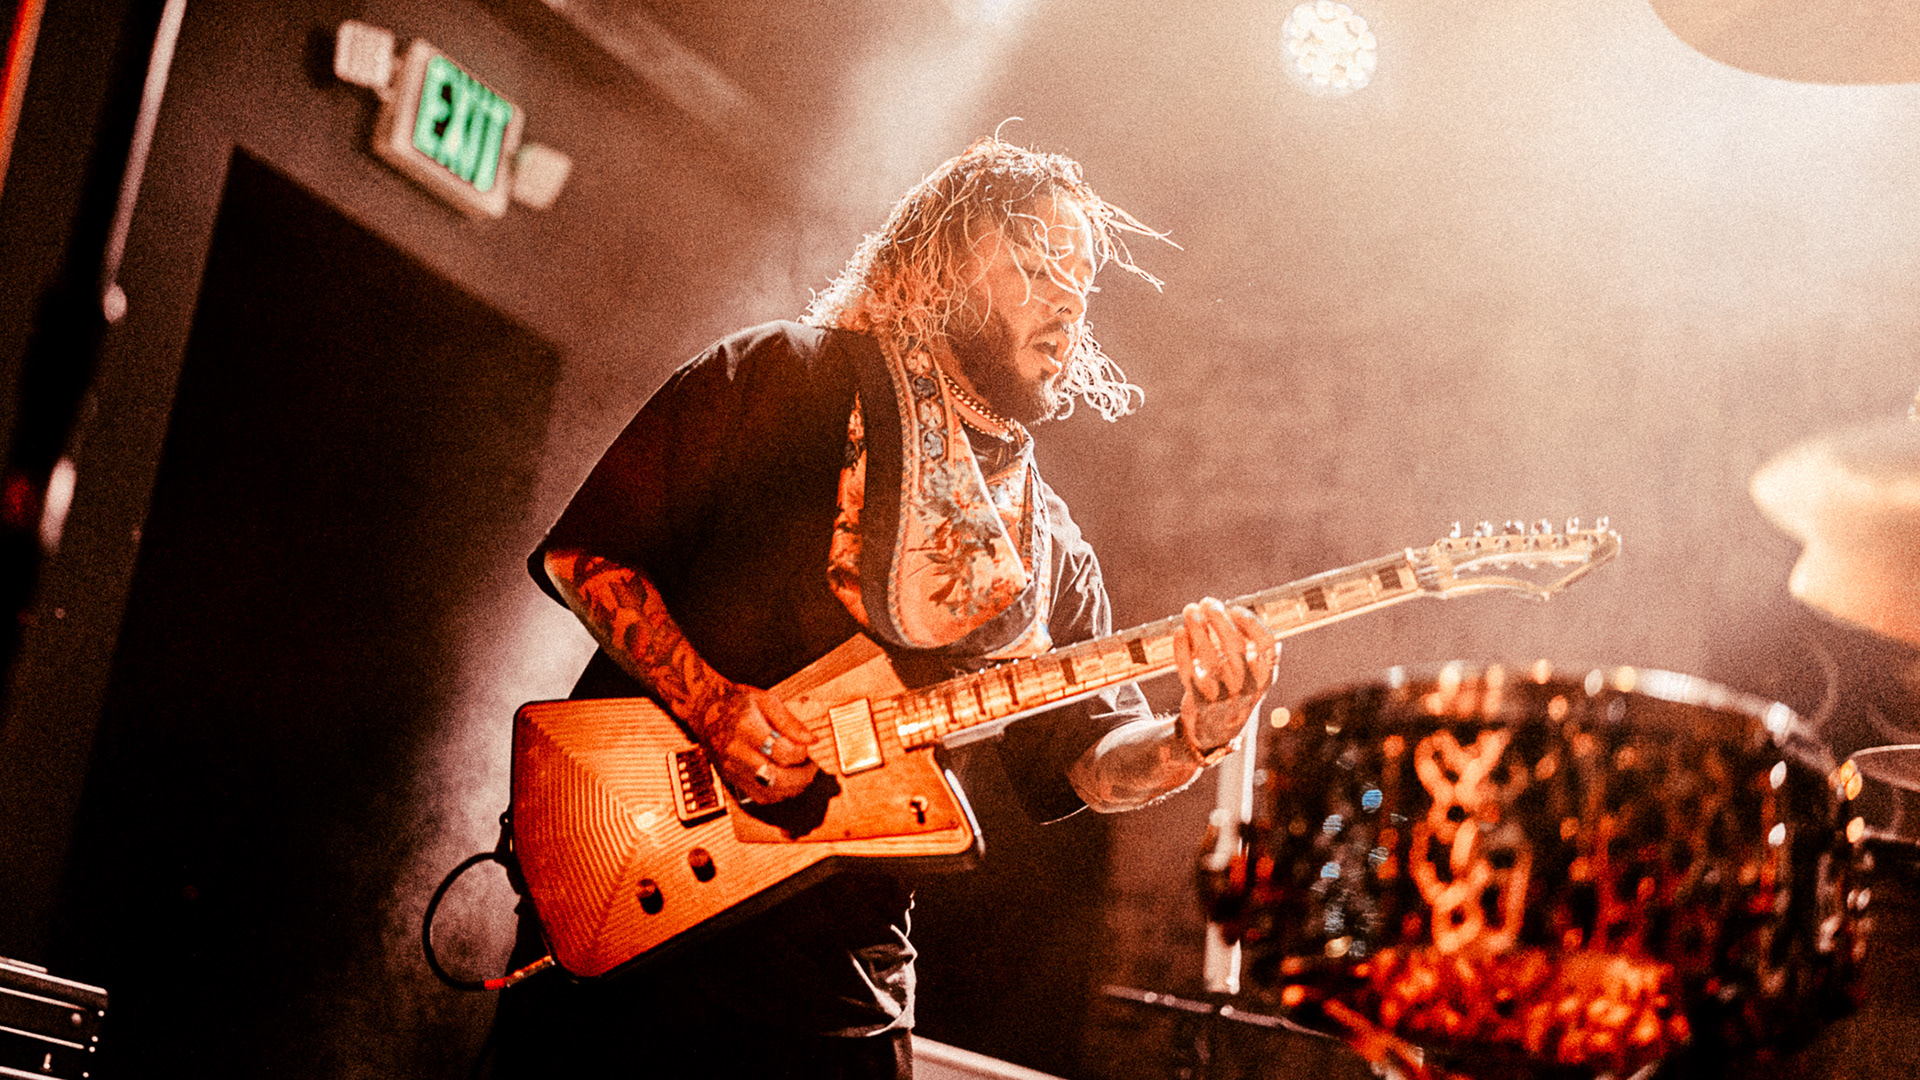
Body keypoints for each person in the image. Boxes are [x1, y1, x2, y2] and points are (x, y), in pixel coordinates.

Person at [486, 136, 1279, 1080]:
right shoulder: (782, 375)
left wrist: (1197, 737)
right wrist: (713, 706)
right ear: (941, 267)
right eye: (1036, 265)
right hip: (634, 909)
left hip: (840, 993)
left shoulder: (1050, 549)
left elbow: (1088, 765)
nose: (1069, 301)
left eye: (1081, 281)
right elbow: (588, 554)